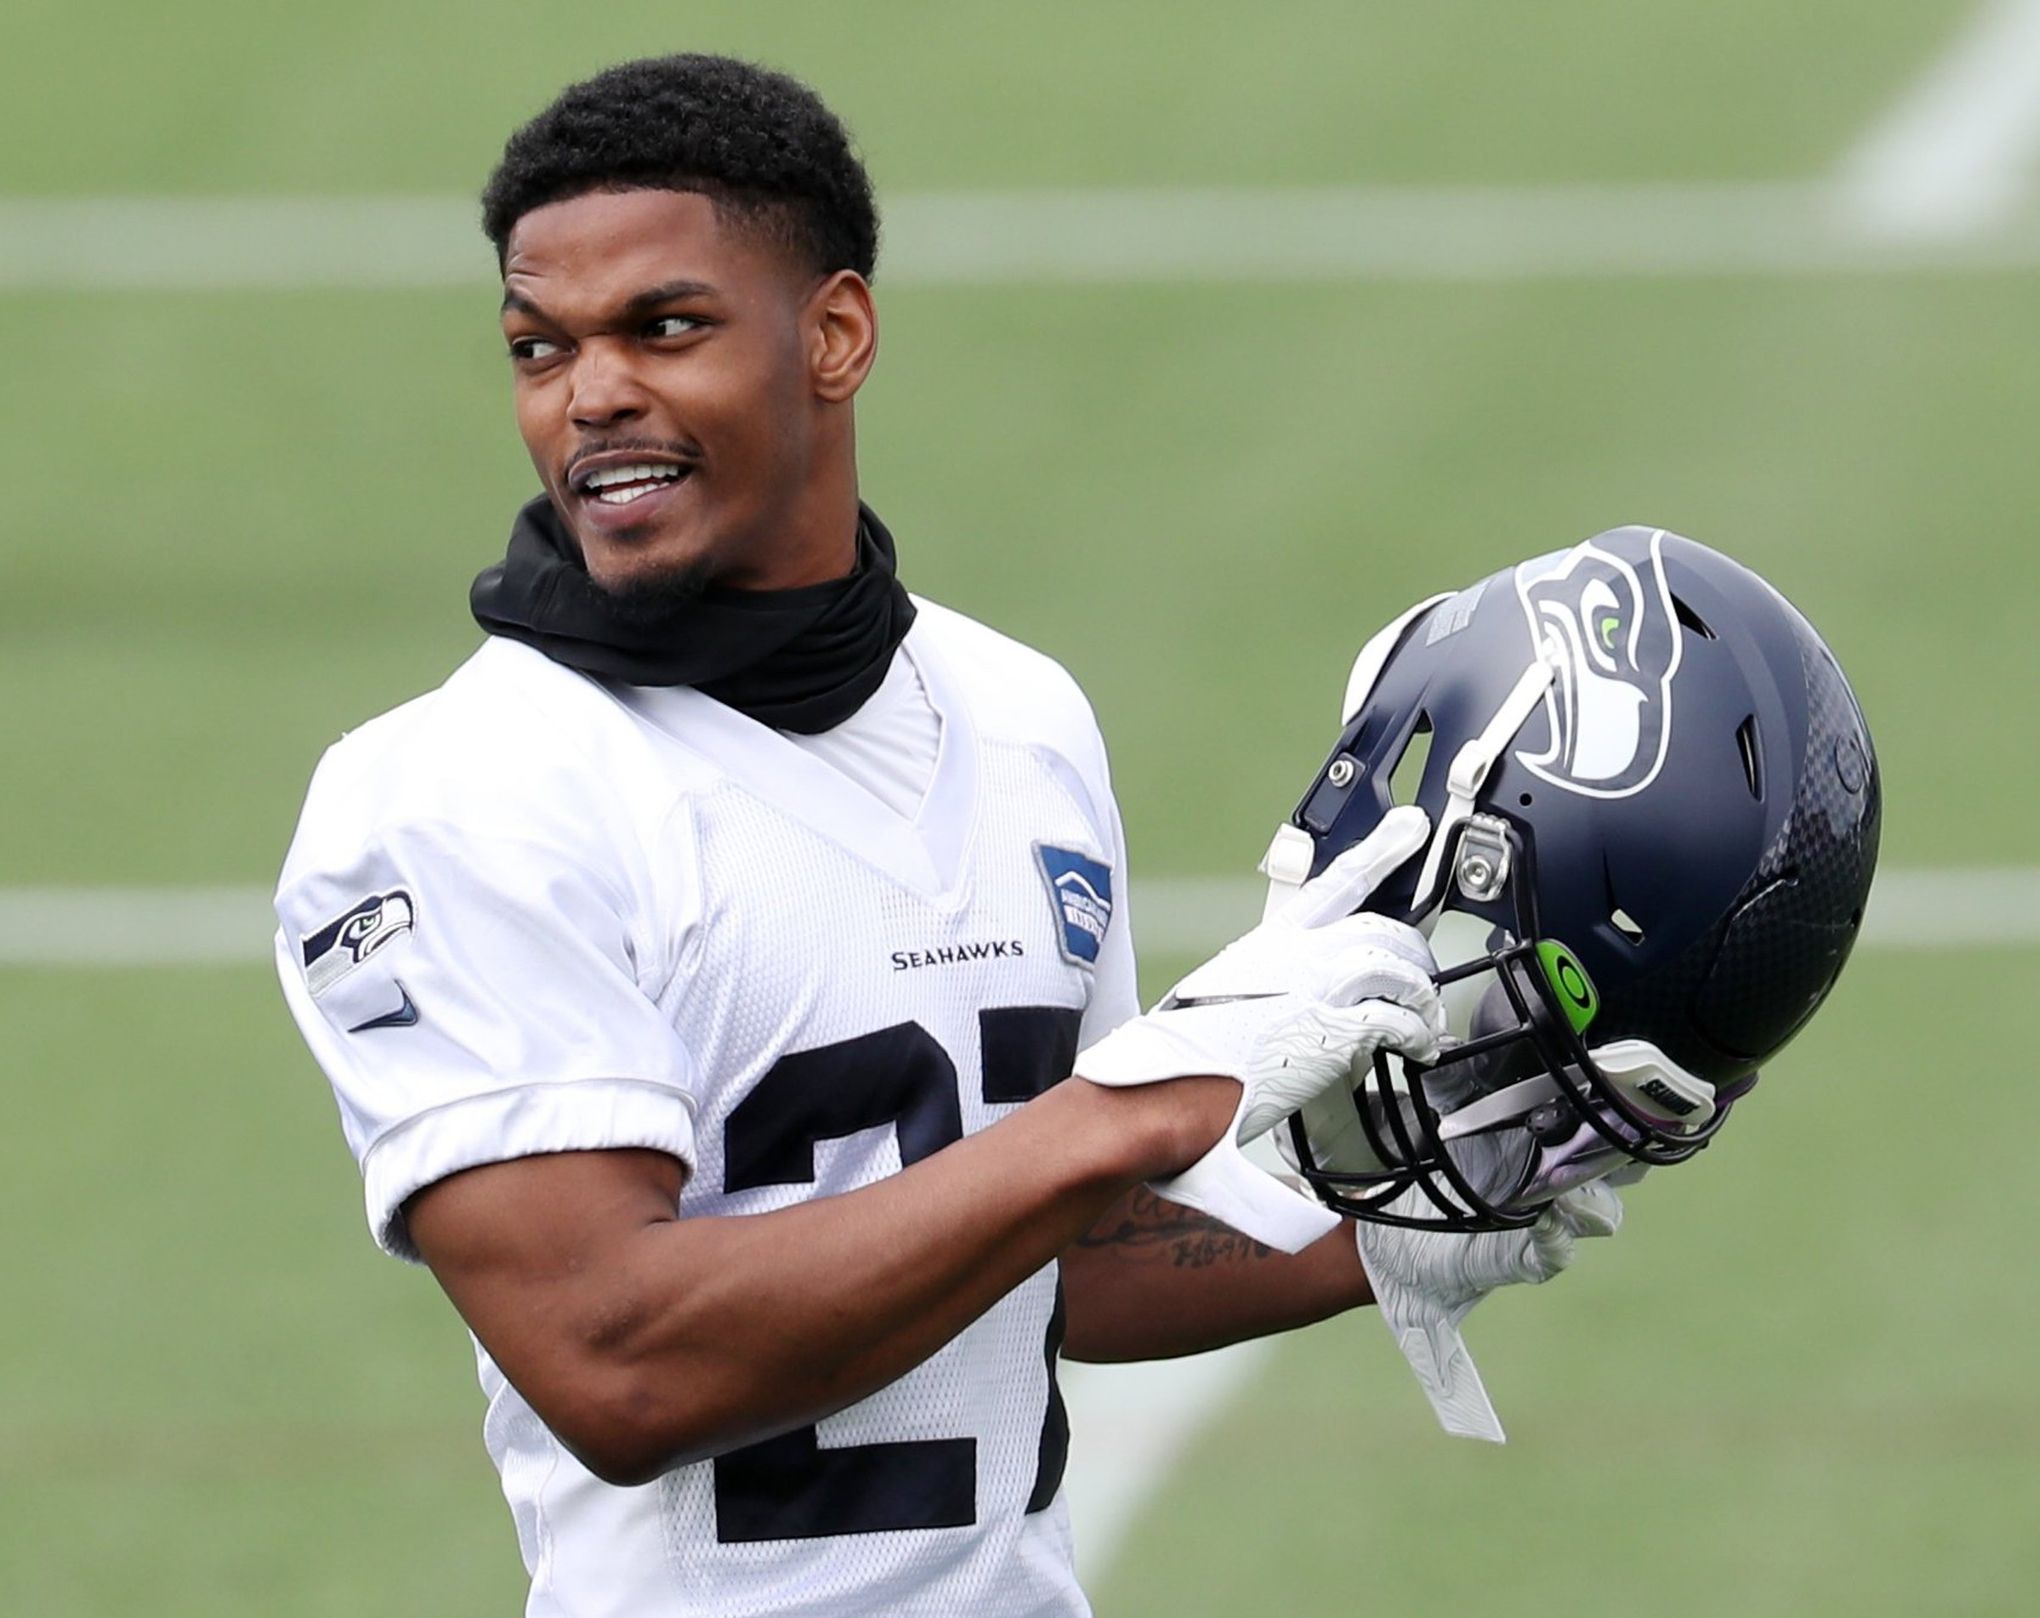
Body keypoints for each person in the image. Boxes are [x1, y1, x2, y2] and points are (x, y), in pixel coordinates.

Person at [274, 54, 1599, 1618]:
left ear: (834, 335)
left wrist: (1361, 1246)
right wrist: (1132, 1105)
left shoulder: (1016, 714)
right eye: (538, 346)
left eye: (664, 326)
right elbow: (615, 1355)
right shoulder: (454, 793)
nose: (590, 393)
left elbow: (1047, 1242)